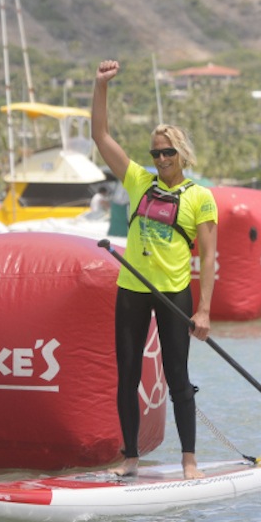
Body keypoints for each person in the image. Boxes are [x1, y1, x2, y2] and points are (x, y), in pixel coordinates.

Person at [93, 59, 218, 481]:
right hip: (132, 287)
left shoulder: (201, 197)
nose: (161, 158)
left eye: (168, 152)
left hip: (174, 293)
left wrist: (203, 311)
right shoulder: (138, 182)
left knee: (177, 377)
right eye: (156, 152)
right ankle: (130, 457)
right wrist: (101, 86)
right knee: (126, 375)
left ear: (181, 154)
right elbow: (100, 135)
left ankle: (189, 461)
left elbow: (209, 258)